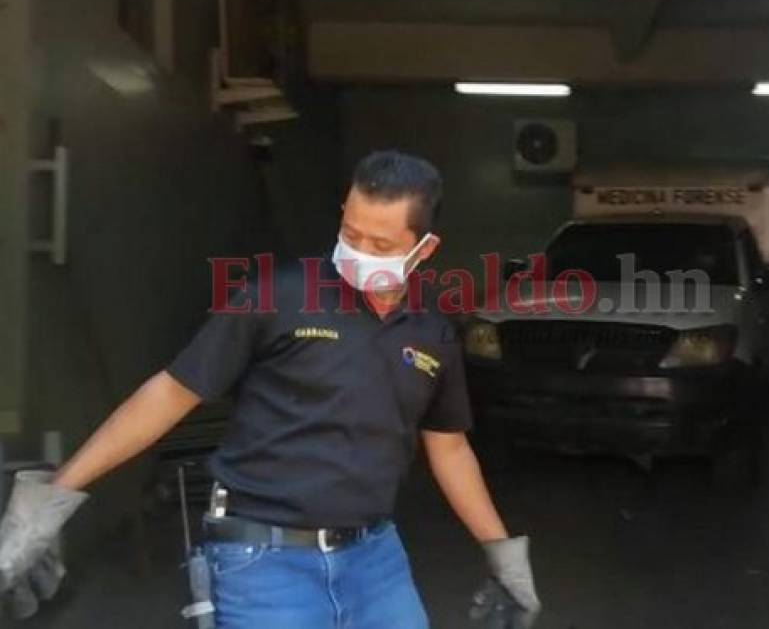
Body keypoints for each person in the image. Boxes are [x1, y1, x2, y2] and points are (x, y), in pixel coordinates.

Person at [0, 151, 541, 627]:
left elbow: (449, 447)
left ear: (424, 249)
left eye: (380, 244)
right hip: (263, 559)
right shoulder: (276, 297)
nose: (357, 251)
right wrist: (50, 502)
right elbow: (169, 394)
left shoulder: (431, 333)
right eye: (350, 233)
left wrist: (502, 554)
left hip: (375, 561)